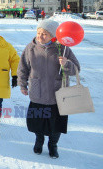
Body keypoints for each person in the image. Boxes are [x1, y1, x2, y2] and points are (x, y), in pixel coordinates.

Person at [17, 20, 80, 159]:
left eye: (44, 34)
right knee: (37, 122)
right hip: (37, 92)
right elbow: (23, 68)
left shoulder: (62, 48)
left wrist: (66, 63)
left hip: (57, 94)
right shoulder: (30, 48)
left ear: (53, 35)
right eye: (39, 33)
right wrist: (22, 84)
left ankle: (53, 145)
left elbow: (76, 69)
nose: (40, 36)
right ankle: (39, 141)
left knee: (56, 124)